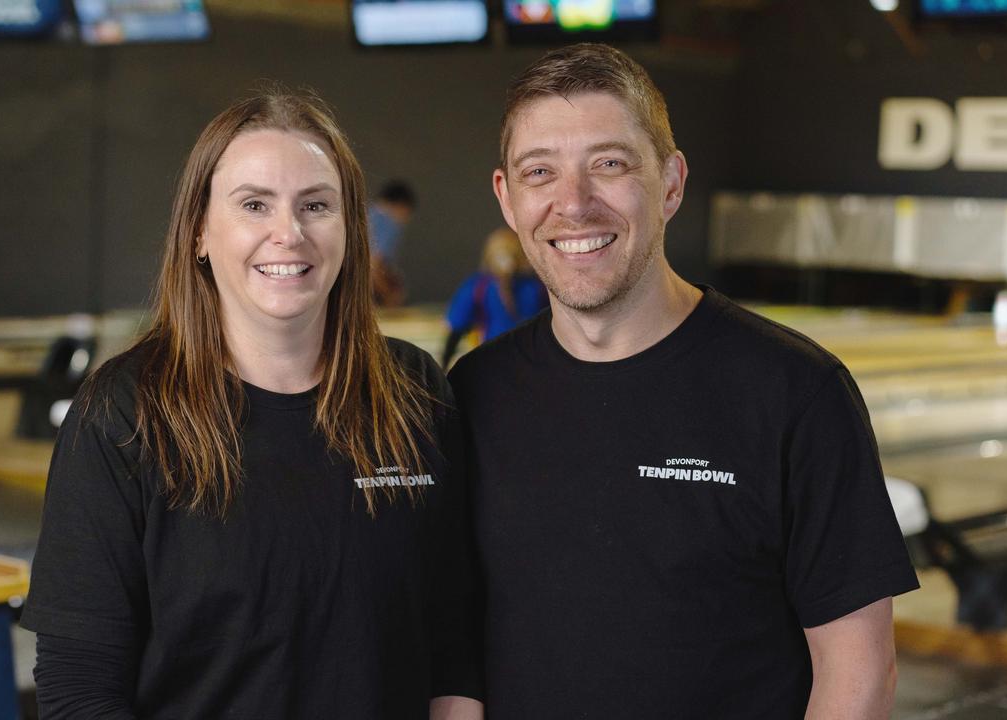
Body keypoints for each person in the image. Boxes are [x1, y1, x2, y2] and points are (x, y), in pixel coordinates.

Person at [448, 44, 918, 719]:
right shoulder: (475, 392)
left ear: (670, 183)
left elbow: (859, 672)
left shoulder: (796, 393)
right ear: (507, 198)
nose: (573, 203)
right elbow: (455, 642)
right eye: (539, 172)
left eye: (609, 164)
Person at [22, 91, 483, 720]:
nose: (288, 234)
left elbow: (452, 634)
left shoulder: (414, 391)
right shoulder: (124, 415)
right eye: (254, 204)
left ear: (351, 233)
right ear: (200, 233)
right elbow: (79, 688)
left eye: (316, 205)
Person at [440, 227, 546, 368]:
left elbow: (455, 331)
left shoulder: (477, 287)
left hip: (491, 365)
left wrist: (444, 366)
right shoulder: (540, 286)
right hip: (534, 363)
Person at [368, 180, 416, 306]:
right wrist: (389, 297)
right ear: (401, 206)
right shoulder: (388, 222)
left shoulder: (365, 215)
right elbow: (372, 266)